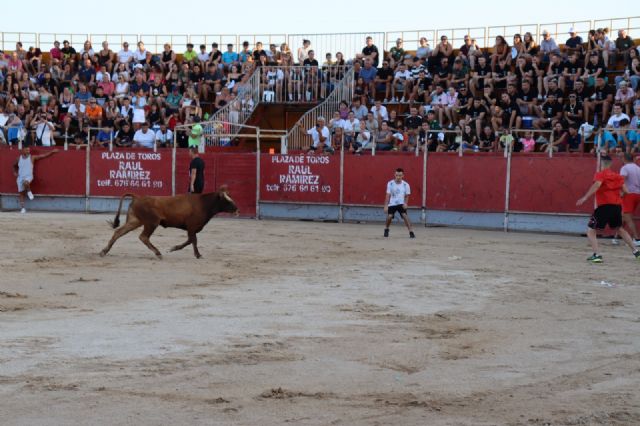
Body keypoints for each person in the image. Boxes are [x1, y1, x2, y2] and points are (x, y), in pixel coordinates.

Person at [576, 155, 640, 263]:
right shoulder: (617, 176)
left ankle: (597, 255)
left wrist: (585, 197)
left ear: (601, 164)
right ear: (610, 164)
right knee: (619, 229)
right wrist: (618, 194)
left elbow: (597, 185)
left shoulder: (600, 175)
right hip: (616, 206)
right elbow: (626, 190)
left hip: (604, 206)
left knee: (591, 230)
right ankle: (636, 251)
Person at [12, 146, 58, 214]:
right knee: (21, 194)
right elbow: (14, 165)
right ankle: (23, 208)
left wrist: (52, 152)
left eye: (29, 150)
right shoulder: (18, 158)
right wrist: (15, 172)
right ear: (23, 150)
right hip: (20, 177)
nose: (28, 151)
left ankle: (29, 191)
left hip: (29, 176)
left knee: (26, 183)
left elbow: (43, 156)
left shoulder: (32, 157)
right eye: (26, 150)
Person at [612, 154, 640, 246]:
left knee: (627, 217)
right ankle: (616, 237)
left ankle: (637, 238)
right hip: (638, 194)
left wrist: (621, 193)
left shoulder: (625, 168)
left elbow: (621, 181)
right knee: (623, 216)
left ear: (624, 159)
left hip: (629, 194)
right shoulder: (638, 168)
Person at [383, 168, 415, 239]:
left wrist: (406, 203)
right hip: (392, 203)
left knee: (405, 216)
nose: (398, 177)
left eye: (400, 175)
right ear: (394, 175)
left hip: (401, 203)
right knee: (390, 216)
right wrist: (386, 205)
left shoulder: (406, 185)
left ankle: (411, 232)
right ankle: (386, 229)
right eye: (397, 175)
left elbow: (407, 196)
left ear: (403, 175)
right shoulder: (390, 183)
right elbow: (388, 195)